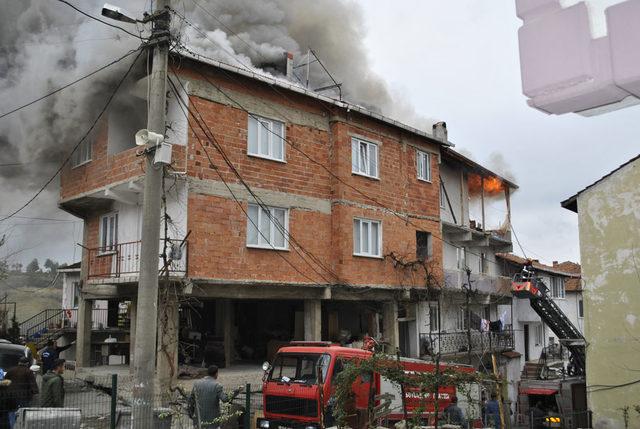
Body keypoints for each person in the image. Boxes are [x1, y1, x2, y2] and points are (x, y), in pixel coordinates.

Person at [5, 357, 38, 427]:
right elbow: (32, 384)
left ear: (18, 362)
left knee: (11, 413)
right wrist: (35, 392)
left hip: (11, 396)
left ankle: (11, 425)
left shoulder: (11, 370)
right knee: (24, 413)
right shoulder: (28, 371)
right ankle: (22, 425)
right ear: (27, 364)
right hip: (24, 397)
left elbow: (5, 382)